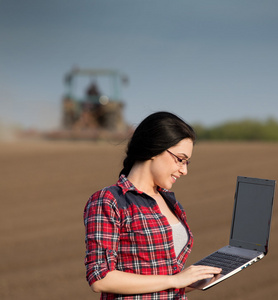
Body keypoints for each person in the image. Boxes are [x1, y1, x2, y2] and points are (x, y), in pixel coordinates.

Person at [84, 111, 221, 299]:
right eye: (180, 159)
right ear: (155, 149)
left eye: (187, 162)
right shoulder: (109, 200)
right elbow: (100, 278)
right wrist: (175, 280)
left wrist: (195, 279)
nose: (184, 170)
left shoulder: (171, 202)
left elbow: (167, 279)